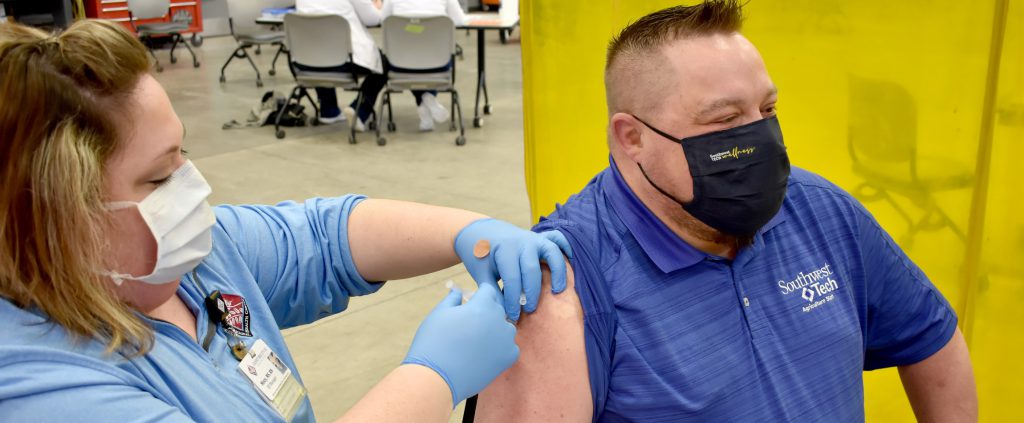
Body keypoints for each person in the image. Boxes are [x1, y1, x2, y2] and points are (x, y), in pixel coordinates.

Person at [0, 20, 573, 422]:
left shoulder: (191, 265)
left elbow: (325, 238)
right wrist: (433, 377)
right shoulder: (36, 387)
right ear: (57, 216)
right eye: (157, 179)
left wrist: (468, 232)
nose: (192, 190)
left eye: (183, 156)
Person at [475, 1, 978, 422]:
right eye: (726, 119)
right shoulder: (564, 287)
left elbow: (929, 336)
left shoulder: (822, 212)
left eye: (768, 110)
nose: (759, 136)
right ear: (632, 137)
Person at [294, 0, 385, 130]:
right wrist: (378, 6)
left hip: (305, 61)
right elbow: (372, 19)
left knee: (321, 50)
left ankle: (329, 110)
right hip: (345, 62)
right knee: (383, 62)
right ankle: (359, 111)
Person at [380, 0, 468, 131]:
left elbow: (383, 20)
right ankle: (428, 97)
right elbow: (460, 21)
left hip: (399, 64)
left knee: (412, 60)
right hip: (439, 64)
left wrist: (411, 25)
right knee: (426, 59)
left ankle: (425, 104)